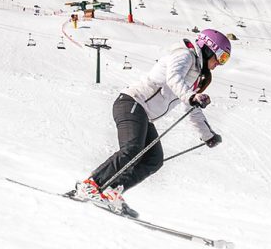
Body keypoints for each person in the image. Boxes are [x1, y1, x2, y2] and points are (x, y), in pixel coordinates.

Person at [73, 28, 230, 217]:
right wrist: (190, 96)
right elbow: (173, 78)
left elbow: (190, 107)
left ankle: (111, 189)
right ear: (209, 48)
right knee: (132, 148)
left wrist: (207, 135)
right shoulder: (185, 55)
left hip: (144, 114)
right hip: (132, 102)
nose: (219, 64)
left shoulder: (196, 75)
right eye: (221, 58)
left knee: (154, 160)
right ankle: (91, 185)